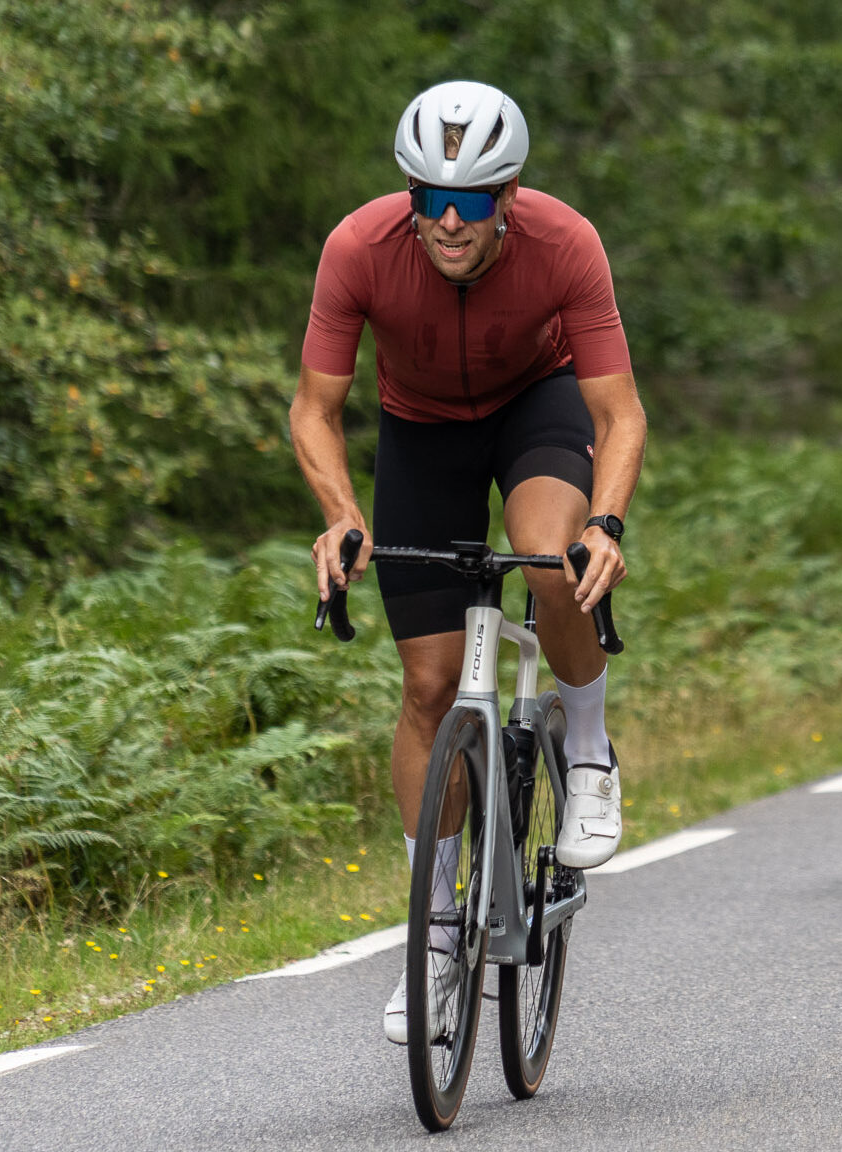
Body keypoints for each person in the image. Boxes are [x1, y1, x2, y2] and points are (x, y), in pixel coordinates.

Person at [288, 81, 647, 1044]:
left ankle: (586, 743)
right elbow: (315, 408)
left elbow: (619, 413)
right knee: (428, 686)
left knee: (545, 558)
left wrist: (605, 522)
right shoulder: (358, 248)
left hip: (539, 408)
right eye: (429, 196)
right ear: (406, 190)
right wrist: (340, 516)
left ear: (511, 194)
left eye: (475, 200)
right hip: (421, 434)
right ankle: (437, 930)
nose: (450, 221)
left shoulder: (565, 243)